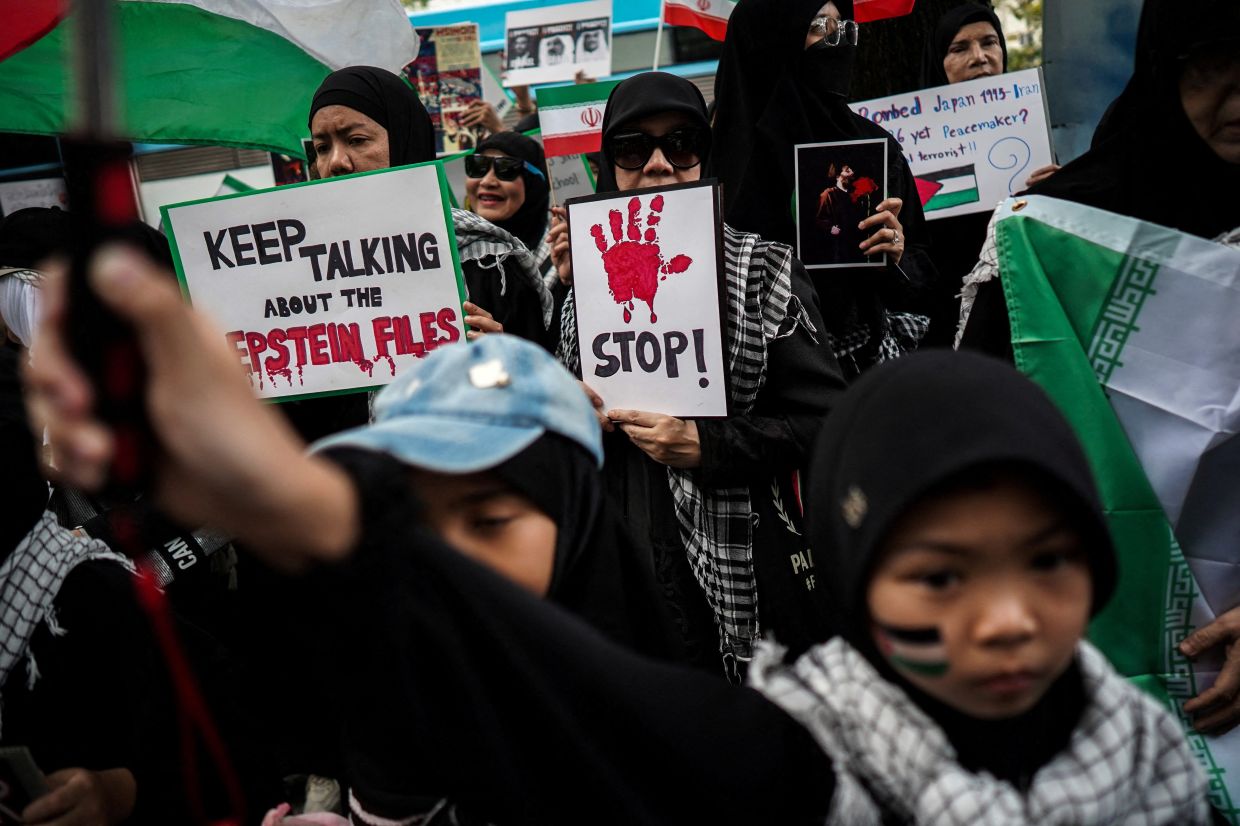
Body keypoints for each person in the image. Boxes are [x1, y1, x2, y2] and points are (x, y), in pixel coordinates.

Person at [27, 261, 1213, 821]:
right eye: (936, 574)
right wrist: (310, 514)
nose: (1003, 617)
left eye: (1044, 559)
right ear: (855, 580)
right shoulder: (804, 753)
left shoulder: (1155, 754)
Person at [306, 334, 681, 823]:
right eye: (415, 524)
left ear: (575, 517)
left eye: (488, 522)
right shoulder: (390, 689)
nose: (445, 558)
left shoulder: (688, 734)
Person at [548, 71, 847, 678]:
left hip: (740, 567)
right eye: (633, 148)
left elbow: (828, 422)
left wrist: (706, 445)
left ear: (705, 161)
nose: (658, 165)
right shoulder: (586, 277)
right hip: (619, 565)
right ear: (609, 165)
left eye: (681, 144)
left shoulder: (764, 271)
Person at [956, 0, 1240, 356]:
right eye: (1212, 67)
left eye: (989, 42)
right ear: (1165, 71)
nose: (1236, 103)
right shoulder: (1066, 228)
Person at [710, 0, 938, 377]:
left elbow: (924, 275)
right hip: (749, 381)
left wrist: (896, 257)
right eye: (820, 26)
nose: (838, 41)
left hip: (860, 369)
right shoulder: (703, 162)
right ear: (770, 39)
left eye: (844, 27)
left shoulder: (874, 150)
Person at [308, 67, 554, 354]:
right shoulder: (304, 271)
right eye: (322, 148)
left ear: (405, 140)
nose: (336, 162)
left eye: (356, 140)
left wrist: (505, 358)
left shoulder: (488, 263)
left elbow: (545, 384)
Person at [915, 3, 1058, 347]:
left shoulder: (1035, 131)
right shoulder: (909, 145)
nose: (979, 57)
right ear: (939, 62)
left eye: (989, 43)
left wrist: (1056, 194)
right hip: (943, 325)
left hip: (1023, 315)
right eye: (960, 48)